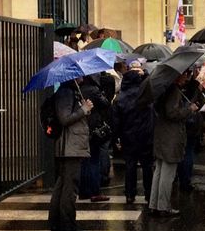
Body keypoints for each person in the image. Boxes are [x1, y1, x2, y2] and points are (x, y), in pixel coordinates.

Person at [48, 78, 93, 231]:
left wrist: (83, 107)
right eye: (79, 74)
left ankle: (56, 224)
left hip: (69, 146)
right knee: (70, 188)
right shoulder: (66, 92)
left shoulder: (69, 92)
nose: (82, 77)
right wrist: (84, 109)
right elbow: (65, 119)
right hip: (70, 148)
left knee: (62, 186)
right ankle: (68, 227)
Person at [150, 71, 198, 216]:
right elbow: (172, 113)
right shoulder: (174, 91)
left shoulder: (165, 90)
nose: (188, 77)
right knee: (167, 173)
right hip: (171, 137)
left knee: (159, 171)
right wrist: (189, 109)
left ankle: (155, 205)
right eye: (186, 74)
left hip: (162, 134)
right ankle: (163, 206)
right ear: (178, 75)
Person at [112, 64, 154, 204]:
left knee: (130, 166)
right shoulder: (145, 95)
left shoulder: (120, 98)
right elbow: (152, 86)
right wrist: (146, 74)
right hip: (145, 135)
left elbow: (116, 122)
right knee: (147, 166)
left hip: (128, 136)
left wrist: (116, 138)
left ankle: (130, 194)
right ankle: (149, 194)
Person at [79, 74, 111, 202]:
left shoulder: (79, 90)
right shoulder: (94, 90)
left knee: (84, 161)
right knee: (94, 160)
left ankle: (83, 191)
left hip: (82, 128)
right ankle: (95, 191)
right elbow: (105, 103)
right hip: (94, 128)